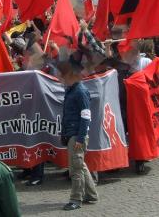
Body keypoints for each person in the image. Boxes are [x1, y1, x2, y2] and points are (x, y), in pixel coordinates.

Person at [57, 60, 99, 210]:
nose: (61, 78)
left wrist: (80, 138)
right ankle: (91, 194)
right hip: (74, 134)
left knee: (76, 170)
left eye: (63, 75)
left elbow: (86, 116)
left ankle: (76, 199)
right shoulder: (73, 90)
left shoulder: (79, 91)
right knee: (80, 165)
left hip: (77, 135)